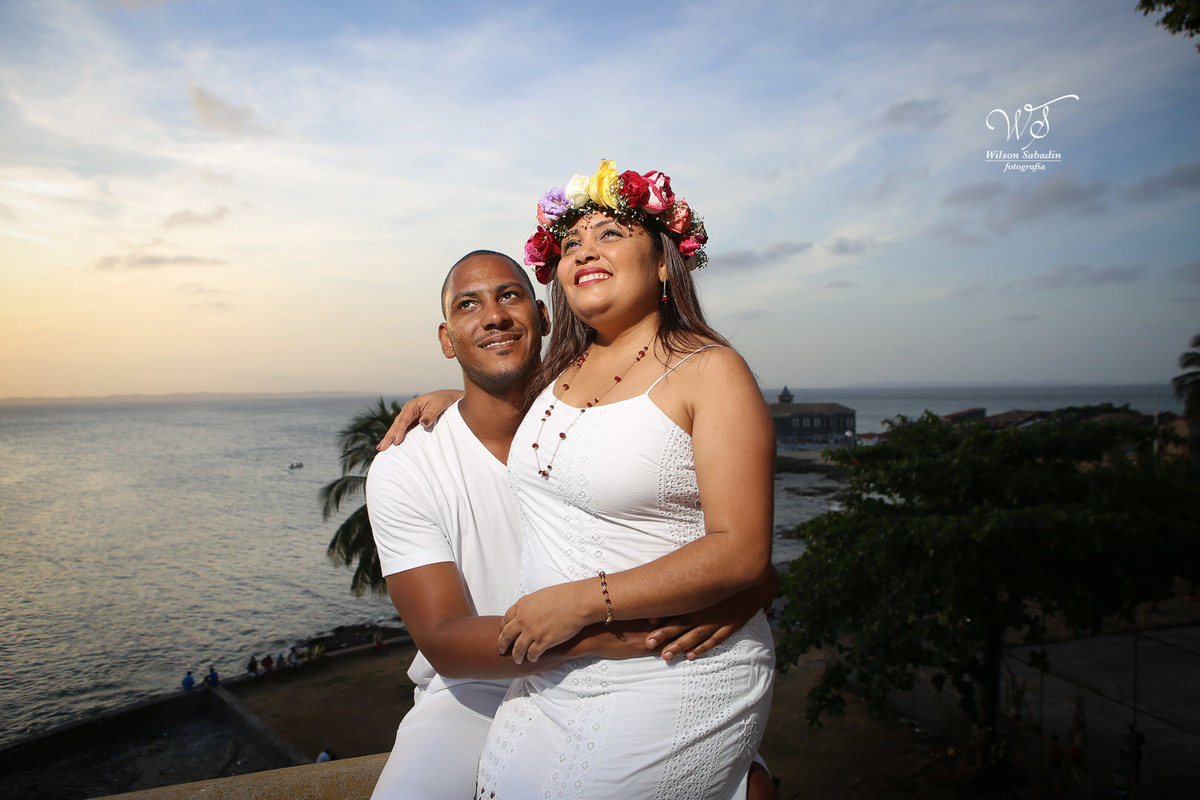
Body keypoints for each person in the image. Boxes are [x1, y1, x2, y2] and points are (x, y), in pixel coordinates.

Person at [390, 162, 776, 799]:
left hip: (663, 665)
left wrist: (581, 603)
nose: (585, 251)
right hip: (547, 683)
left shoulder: (711, 371)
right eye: (571, 243)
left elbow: (741, 549)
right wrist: (445, 399)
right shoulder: (562, 372)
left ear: (662, 264)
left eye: (611, 235)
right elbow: (526, 414)